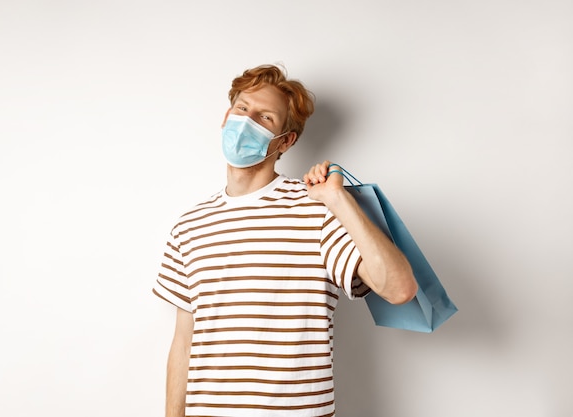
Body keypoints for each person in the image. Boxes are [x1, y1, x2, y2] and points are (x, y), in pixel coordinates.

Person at [153, 64, 417, 417]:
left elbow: (399, 289)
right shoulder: (190, 225)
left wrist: (339, 201)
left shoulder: (317, 209)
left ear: (286, 141)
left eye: (265, 118)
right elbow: (183, 343)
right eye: (242, 109)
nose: (246, 122)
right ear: (225, 117)